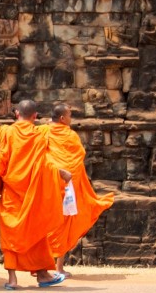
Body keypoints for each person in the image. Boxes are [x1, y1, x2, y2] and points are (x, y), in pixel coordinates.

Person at [0, 100, 71, 290]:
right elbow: (45, 165)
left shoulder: (5, 133)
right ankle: (42, 275)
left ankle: (14, 280)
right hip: (32, 195)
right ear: (34, 116)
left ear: (17, 114)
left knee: (11, 236)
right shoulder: (40, 135)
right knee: (36, 233)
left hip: (11, 194)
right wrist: (61, 173)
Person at [43, 103, 114, 277]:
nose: (71, 118)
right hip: (66, 185)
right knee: (64, 223)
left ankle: (43, 267)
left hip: (48, 183)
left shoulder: (42, 132)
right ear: (62, 118)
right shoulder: (69, 135)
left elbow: (38, 156)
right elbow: (78, 156)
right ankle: (58, 268)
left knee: (47, 222)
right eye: (69, 115)